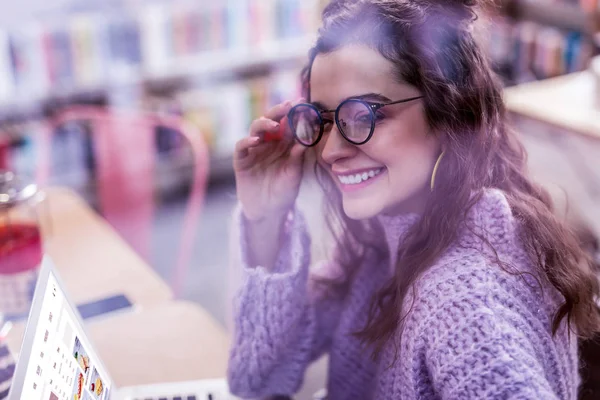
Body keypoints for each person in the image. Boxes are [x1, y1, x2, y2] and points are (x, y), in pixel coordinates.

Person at [227, 0, 600, 399]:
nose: (331, 150)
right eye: (323, 119)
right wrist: (266, 216)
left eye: (364, 114)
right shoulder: (378, 247)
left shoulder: (463, 302)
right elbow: (256, 381)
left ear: (449, 115)